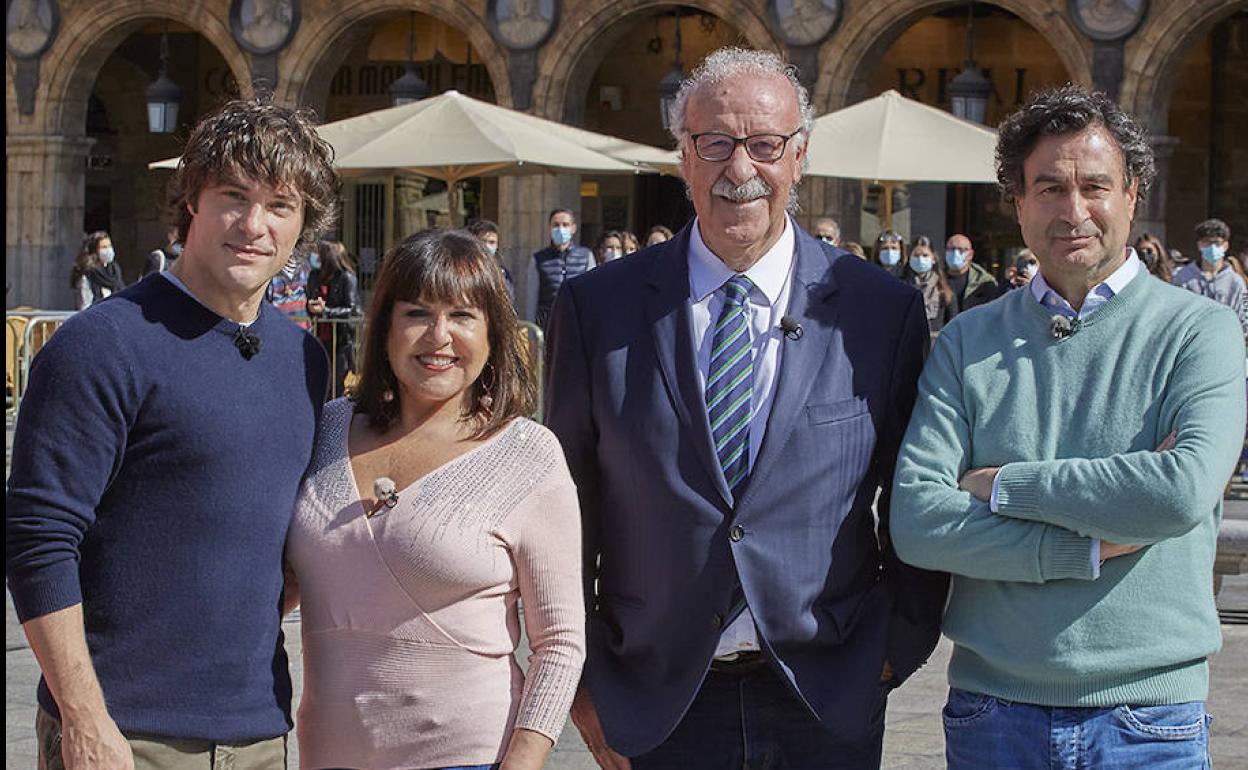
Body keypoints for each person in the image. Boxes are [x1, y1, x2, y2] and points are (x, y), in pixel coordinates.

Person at [545, 46, 947, 770]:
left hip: (826, 694)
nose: (739, 169)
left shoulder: (878, 311)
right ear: (683, 156)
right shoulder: (596, 308)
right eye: (716, 143)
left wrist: (896, 647)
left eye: (764, 146)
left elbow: (917, 491)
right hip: (656, 701)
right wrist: (578, 680)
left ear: (798, 158)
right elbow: (565, 505)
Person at [892, 85, 1244, 770]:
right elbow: (916, 520)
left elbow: (1179, 492)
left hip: (1151, 718)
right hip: (994, 712)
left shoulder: (1201, 330)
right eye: (1049, 187)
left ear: (1132, 193)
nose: (1073, 210)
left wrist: (1005, 486)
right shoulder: (967, 342)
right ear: (1017, 203)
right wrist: (1082, 550)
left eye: (1095, 186)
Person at [6, 98, 339, 770]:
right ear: (189, 202)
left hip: (258, 731)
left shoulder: (303, 358)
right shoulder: (101, 345)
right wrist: (85, 716)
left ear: (304, 224)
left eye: (280, 204)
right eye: (232, 197)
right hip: (124, 732)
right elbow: (38, 538)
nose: (253, 225)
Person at [287, 228, 585, 770]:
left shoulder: (528, 455)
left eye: (464, 316)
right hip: (326, 755)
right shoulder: (325, 430)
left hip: (469, 759)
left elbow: (560, 643)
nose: (439, 336)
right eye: (418, 313)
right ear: (386, 328)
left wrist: (521, 763)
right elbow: (276, 585)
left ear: (495, 333)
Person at [1172, 218, 1248, 338]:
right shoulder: (1182, 277)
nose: (1212, 247)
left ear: (1225, 245)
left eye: (1217, 243)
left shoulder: (1236, 282)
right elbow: (1174, 314)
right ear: (1199, 245)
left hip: (1225, 342)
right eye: (1207, 243)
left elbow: (1244, 320)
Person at [306, 239, 361, 398]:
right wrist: (312, 307)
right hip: (319, 335)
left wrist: (326, 311)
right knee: (318, 377)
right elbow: (309, 299)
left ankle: (333, 415)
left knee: (336, 380)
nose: (315, 256)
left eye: (319, 253)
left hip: (341, 337)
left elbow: (351, 309)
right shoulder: (315, 275)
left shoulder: (346, 277)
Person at [525, 208, 593, 329]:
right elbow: (532, 300)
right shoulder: (538, 259)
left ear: (573, 228)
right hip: (547, 326)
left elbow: (591, 295)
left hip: (577, 324)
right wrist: (532, 332)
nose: (560, 229)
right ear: (549, 228)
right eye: (556, 225)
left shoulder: (586, 256)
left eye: (565, 225)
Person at [902, 235, 955, 333]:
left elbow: (953, 321)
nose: (920, 259)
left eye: (925, 255)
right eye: (916, 256)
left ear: (933, 258)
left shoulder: (945, 288)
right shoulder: (901, 286)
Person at [943, 233, 997, 312]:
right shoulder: (936, 279)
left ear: (970, 254)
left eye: (961, 250)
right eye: (951, 249)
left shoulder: (984, 282)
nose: (955, 253)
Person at [71, 231, 125, 308]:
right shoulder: (88, 273)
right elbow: (85, 304)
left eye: (109, 246)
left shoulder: (115, 271)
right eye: (103, 247)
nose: (108, 250)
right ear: (95, 251)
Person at [467, 218, 516, 301]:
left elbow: (509, 300)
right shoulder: (464, 270)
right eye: (482, 241)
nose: (487, 246)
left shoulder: (503, 274)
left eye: (492, 242)